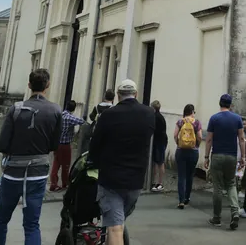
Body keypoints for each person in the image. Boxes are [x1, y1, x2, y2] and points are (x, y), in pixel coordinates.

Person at [0, 68, 62, 245]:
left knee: (0, 220)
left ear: (29, 85)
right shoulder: (55, 110)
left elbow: (1, 145)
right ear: (48, 85)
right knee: (31, 224)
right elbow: (54, 145)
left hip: (13, 171)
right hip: (38, 172)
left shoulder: (16, 109)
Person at [88, 80, 154, 245]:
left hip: (111, 180)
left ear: (118, 96)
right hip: (136, 181)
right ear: (136, 94)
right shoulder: (148, 113)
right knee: (119, 221)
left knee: (115, 227)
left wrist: (93, 162)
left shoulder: (108, 115)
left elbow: (95, 145)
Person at [204, 93, 246, 230]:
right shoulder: (237, 119)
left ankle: (217, 218)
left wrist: (206, 157)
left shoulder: (214, 119)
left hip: (217, 155)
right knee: (231, 184)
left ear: (220, 103)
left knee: (217, 187)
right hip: (232, 156)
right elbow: (241, 139)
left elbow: (209, 139)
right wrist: (243, 157)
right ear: (230, 104)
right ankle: (235, 212)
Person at [50, 100, 85, 192]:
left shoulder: (60, 115)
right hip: (65, 145)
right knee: (66, 165)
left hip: (57, 144)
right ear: (73, 109)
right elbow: (81, 121)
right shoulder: (69, 117)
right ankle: (65, 183)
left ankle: (53, 183)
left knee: (56, 164)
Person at [174, 103, 203, 209]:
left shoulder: (180, 122)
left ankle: (181, 200)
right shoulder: (197, 122)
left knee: (181, 175)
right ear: (192, 112)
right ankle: (187, 198)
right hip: (193, 151)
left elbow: (175, 135)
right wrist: (197, 146)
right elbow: (199, 136)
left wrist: (179, 144)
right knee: (190, 175)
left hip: (181, 151)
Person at [150, 100, 167, 192]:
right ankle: (155, 182)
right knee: (157, 162)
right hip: (161, 141)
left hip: (159, 142)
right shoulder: (160, 117)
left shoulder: (155, 117)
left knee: (159, 162)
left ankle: (159, 183)